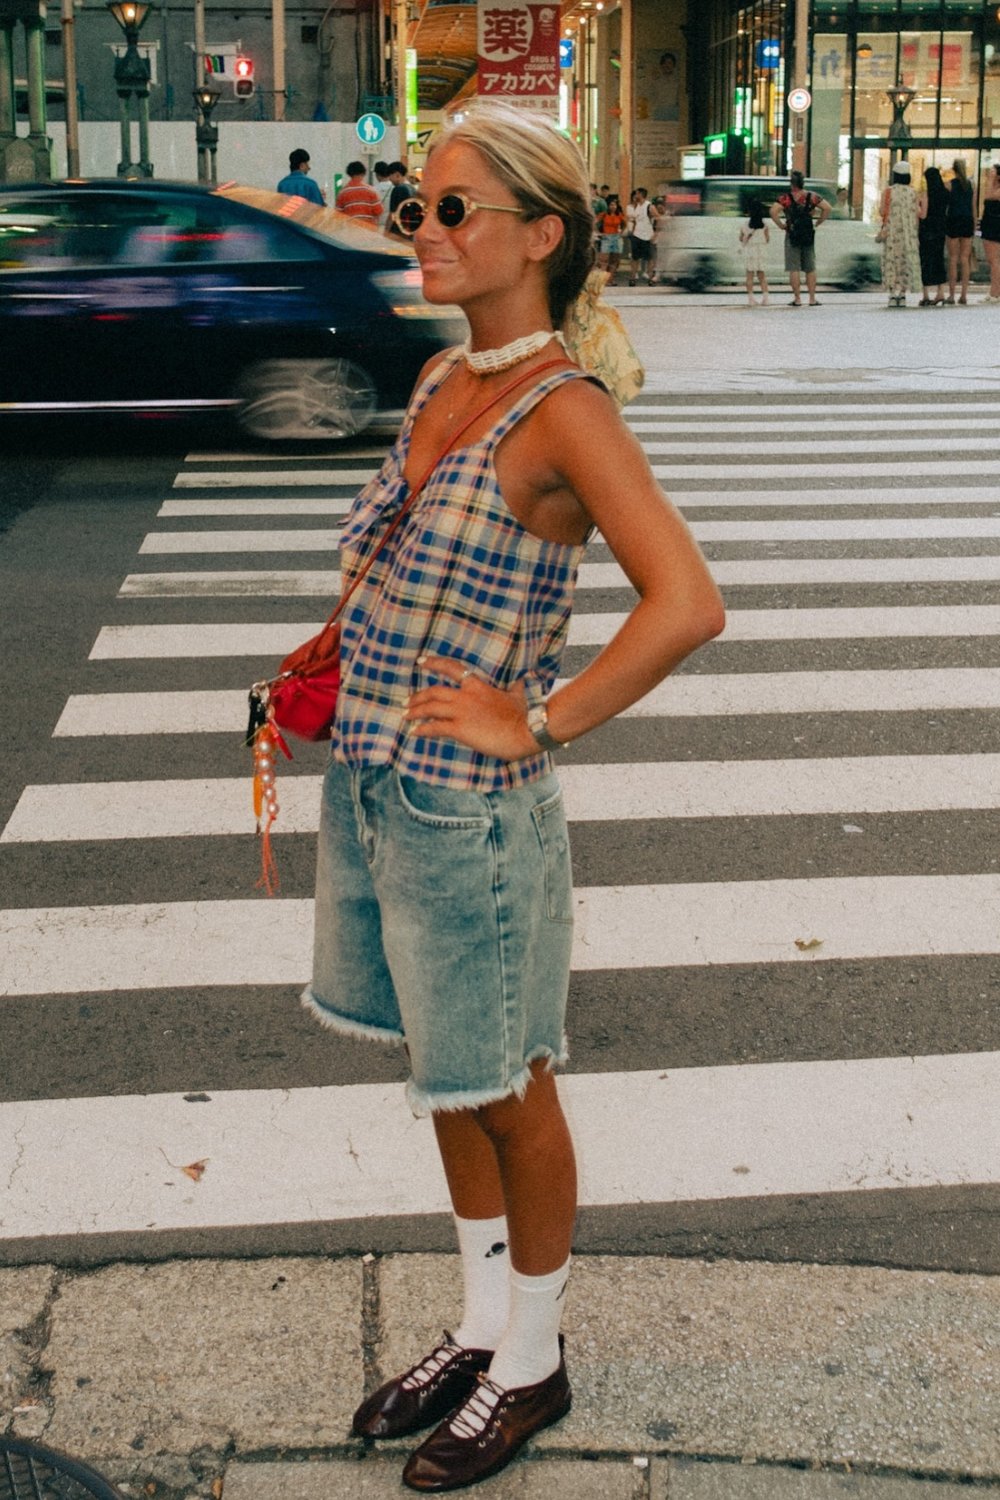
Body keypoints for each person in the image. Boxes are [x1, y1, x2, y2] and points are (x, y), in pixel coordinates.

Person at [304, 98, 724, 1493]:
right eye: (416, 205)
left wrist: (532, 717)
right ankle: (483, 1323)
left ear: (539, 236)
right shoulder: (443, 385)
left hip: (473, 812)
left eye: (451, 208)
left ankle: (534, 1362)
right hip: (379, 782)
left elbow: (687, 604)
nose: (420, 227)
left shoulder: (565, 413)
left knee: (511, 1091)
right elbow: (392, 564)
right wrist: (323, 660)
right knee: (446, 1075)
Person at [770, 170, 829, 306]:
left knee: (794, 268)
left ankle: (797, 299)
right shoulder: (812, 196)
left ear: (792, 184)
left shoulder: (785, 198)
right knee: (810, 267)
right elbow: (827, 208)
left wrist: (781, 225)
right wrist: (819, 221)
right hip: (808, 233)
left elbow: (773, 211)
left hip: (792, 233)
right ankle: (812, 299)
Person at [878, 159, 923, 308]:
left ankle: (892, 294)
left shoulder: (888, 191)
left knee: (892, 262)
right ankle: (903, 294)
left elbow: (882, 211)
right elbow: (918, 212)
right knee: (905, 262)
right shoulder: (913, 192)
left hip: (892, 233)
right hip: (909, 234)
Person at [945, 158, 975, 305]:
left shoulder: (949, 185)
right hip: (967, 221)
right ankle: (964, 295)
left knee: (953, 259)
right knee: (965, 259)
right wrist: (974, 225)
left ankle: (951, 294)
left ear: (953, 169)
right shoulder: (971, 185)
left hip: (953, 220)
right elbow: (973, 206)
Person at [917, 165, 949, 306]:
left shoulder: (926, 194)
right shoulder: (945, 193)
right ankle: (941, 292)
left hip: (927, 229)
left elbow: (923, 214)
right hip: (940, 229)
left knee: (925, 261)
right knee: (938, 259)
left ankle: (925, 295)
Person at [740, 197, 770, 306]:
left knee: (749, 276)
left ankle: (751, 299)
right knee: (762, 276)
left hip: (750, 251)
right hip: (761, 251)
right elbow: (767, 239)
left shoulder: (745, 224)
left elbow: (741, 238)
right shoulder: (765, 224)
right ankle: (766, 299)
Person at [335, 160, 382, 227]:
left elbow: (338, 214)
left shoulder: (342, 192)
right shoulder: (371, 190)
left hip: (351, 229)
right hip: (368, 230)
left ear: (349, 174)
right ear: (363, 173)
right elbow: (378, 211)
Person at [626, 185, 656, 285]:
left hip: (647, 236)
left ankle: (650, 277)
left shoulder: (649, 206)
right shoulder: (637, 206)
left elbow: (658, 218)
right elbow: (635, 220)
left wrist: (655, 234)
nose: (635, 195)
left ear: (641, 195)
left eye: (637, 194)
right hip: (637, 235)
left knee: (649, 258)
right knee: (635, 258)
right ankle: (633, 277)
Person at [980, 161, 1000, 304]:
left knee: (994, 261)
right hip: (989, 224)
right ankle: (994, 290)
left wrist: (991, 180)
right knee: (992, 260)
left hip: (995, 226)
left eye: (993, 171)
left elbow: (988, 196)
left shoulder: (997, 190)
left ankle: (995, 292)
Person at [596, 192, 627, 282]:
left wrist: (621, 233)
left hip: (616, 237)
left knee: (614, 260)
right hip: (606, 237)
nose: (613, 207)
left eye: (615, 205)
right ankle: (602, 280)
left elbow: (624, 223)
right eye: (611, 205)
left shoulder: (619, 215)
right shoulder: (604, 214)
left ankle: (610, 279)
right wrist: (598, 233)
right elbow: (595, 222)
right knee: (604, 260)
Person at [385, 160, 415, 238]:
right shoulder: (412, 188)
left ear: (397, 175)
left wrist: (386, 232)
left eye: (390, 176)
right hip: (410, 230)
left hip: (398, 231)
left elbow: (393, 214)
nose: (389, 179)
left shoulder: (398, 189)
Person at [374, 161, 395, 228]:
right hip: (391, 223)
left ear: (377, 175)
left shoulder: (373, 189)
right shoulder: (394, 188)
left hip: (377, 223)